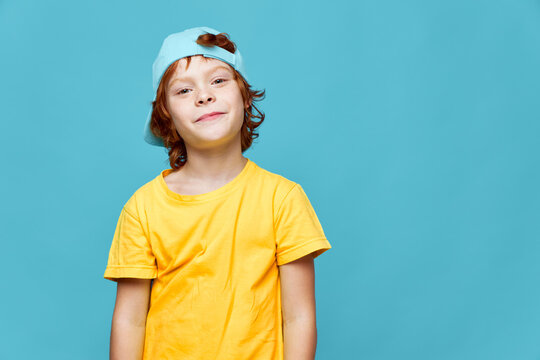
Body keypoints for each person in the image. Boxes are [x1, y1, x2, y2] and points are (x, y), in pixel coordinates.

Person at [103, 26, 332, 360]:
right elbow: (130, 320)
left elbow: (298, 317)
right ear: (166, 118)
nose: (203, 96)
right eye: (183, 90)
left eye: (218, 80)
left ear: (244, 96)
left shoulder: (282, 199)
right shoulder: (143, 208)